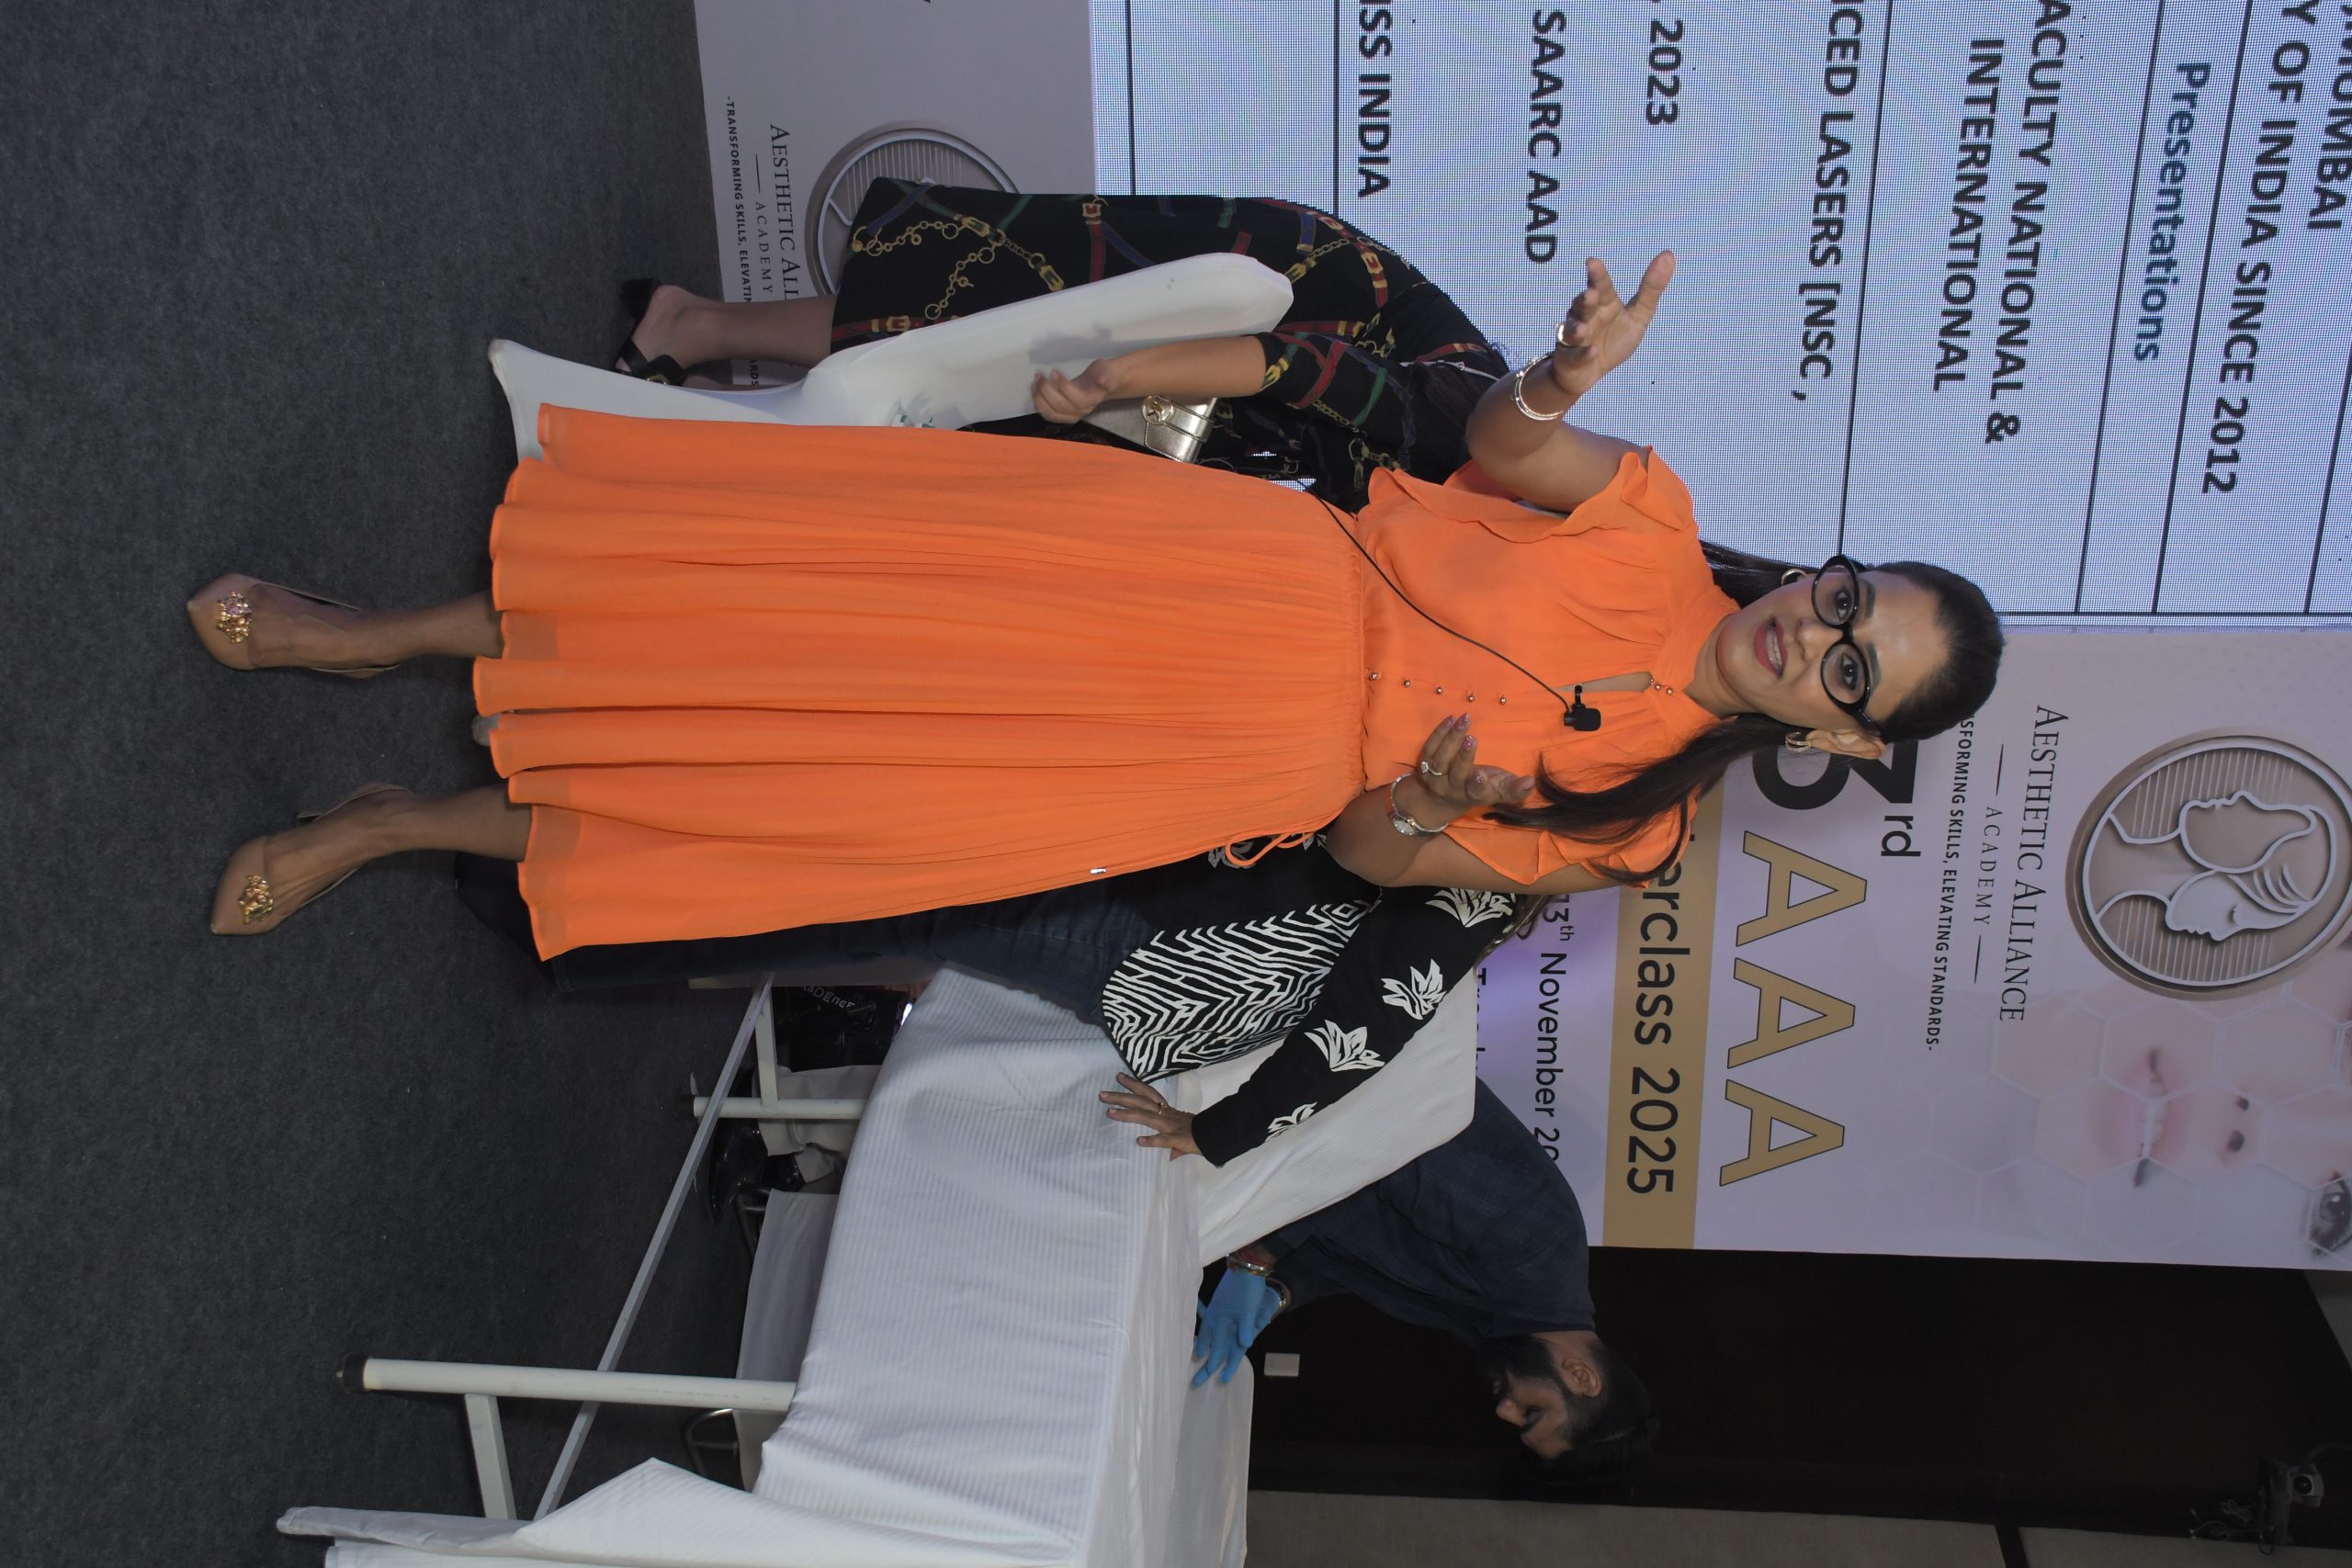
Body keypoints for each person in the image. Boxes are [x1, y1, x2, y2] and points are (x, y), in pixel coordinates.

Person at [188, 254, 2003, 1015]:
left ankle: (387, 826)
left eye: (1855, 668)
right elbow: (1504, 450)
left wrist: (1426, 803)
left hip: (1185, 764)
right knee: (769, 611)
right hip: (1191, 573)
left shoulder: (1634, 831)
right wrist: (1559, 375)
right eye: (1849, 597)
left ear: (1843, 737)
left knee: (788, 803)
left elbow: (1369, 861)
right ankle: (375, 636)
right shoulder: (1655, 514)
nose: (1815, 633)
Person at [456, 832, 1523, 1164]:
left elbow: (1375, 1016)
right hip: (1156, 898)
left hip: (1156, 943)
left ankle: (571, 924)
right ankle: (576, 916)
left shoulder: (1497, 866)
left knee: (859, 902)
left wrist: (1227, 1130)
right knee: (859, 889)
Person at [613, 185, 1510, 509]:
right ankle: (696, 328)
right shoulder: (1479, 433)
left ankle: (696, 366)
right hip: (1275, 304)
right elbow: (1300, 367)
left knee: (979, 404)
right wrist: (1117, 375)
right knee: (973, 333)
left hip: (1245, 416)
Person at [1197, 1078, 1649, 1470]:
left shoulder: (1504, 1326)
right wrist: (1255, 1261)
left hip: (1279, 1130)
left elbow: (1361, 1250)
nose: (1505, 1412)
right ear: (1582, 1377)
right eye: (1532, 1414)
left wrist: (1280, 1293)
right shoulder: (1538, 1255)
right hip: (1302, 1075)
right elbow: (1380, 1150)